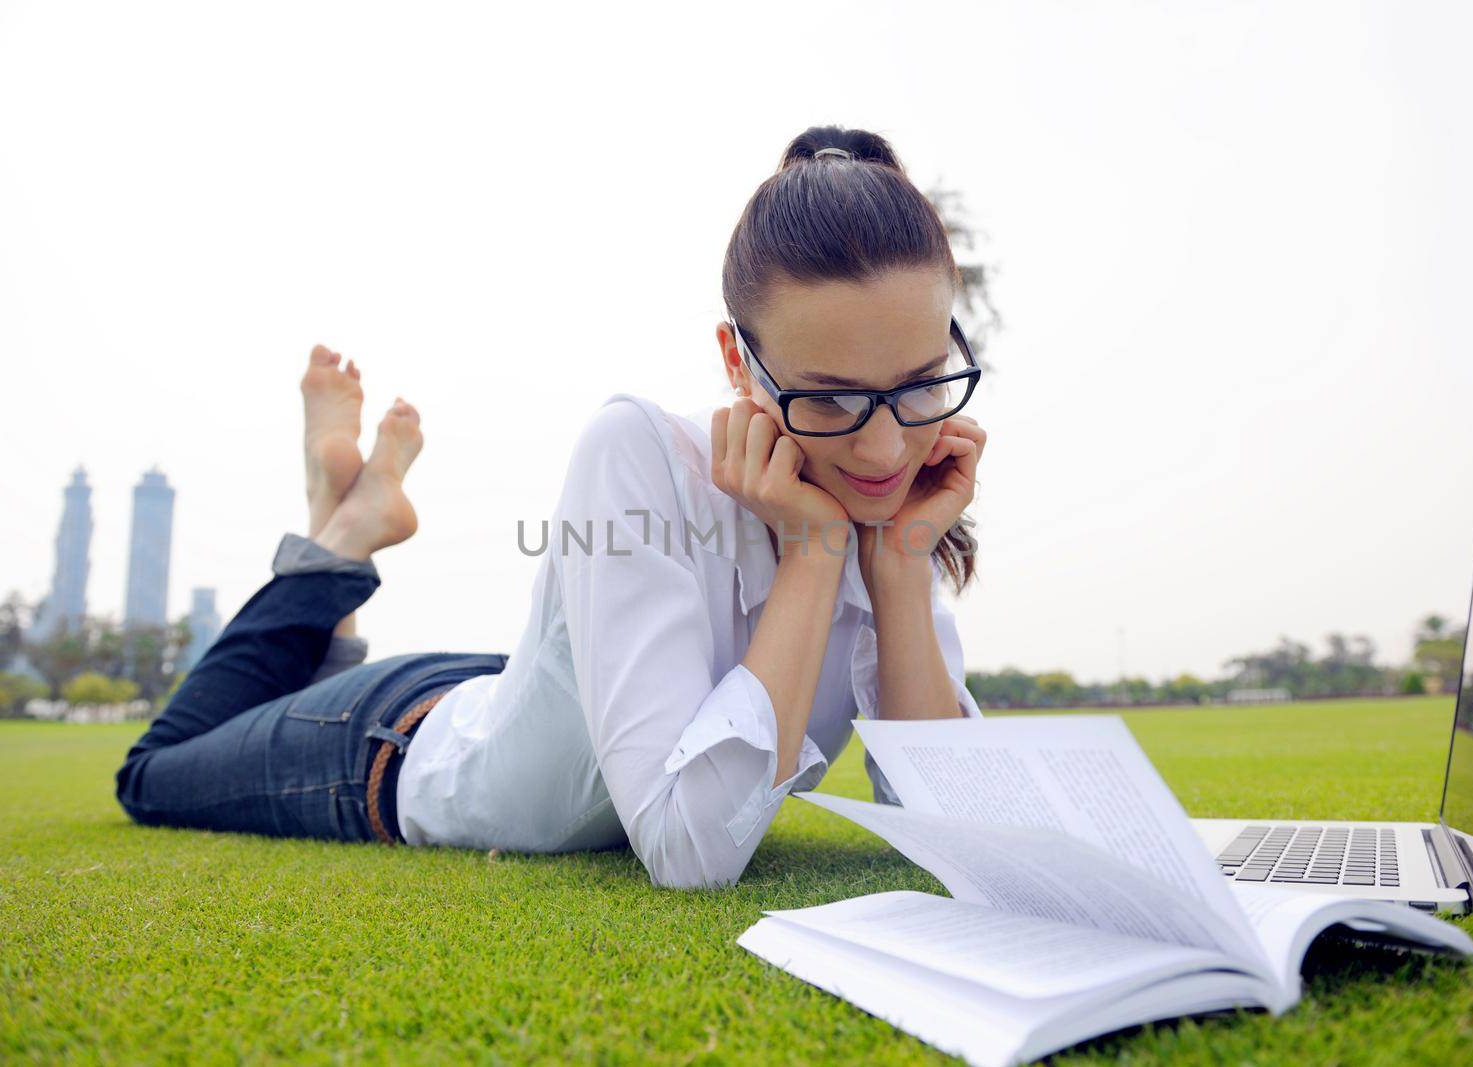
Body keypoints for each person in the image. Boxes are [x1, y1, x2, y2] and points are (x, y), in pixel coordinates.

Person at [114, 124, 989, 889]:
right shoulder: (637, 453)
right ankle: (340, 537)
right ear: (736, 358)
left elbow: (948, 835)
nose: (883, 451)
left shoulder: (892, 497)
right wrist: (811, 552)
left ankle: (340, 520)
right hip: (389, 748)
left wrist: (903, 560)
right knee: (152, 774)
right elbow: (689, 853)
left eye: (919, 387)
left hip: (509, 690)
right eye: (828, 401)